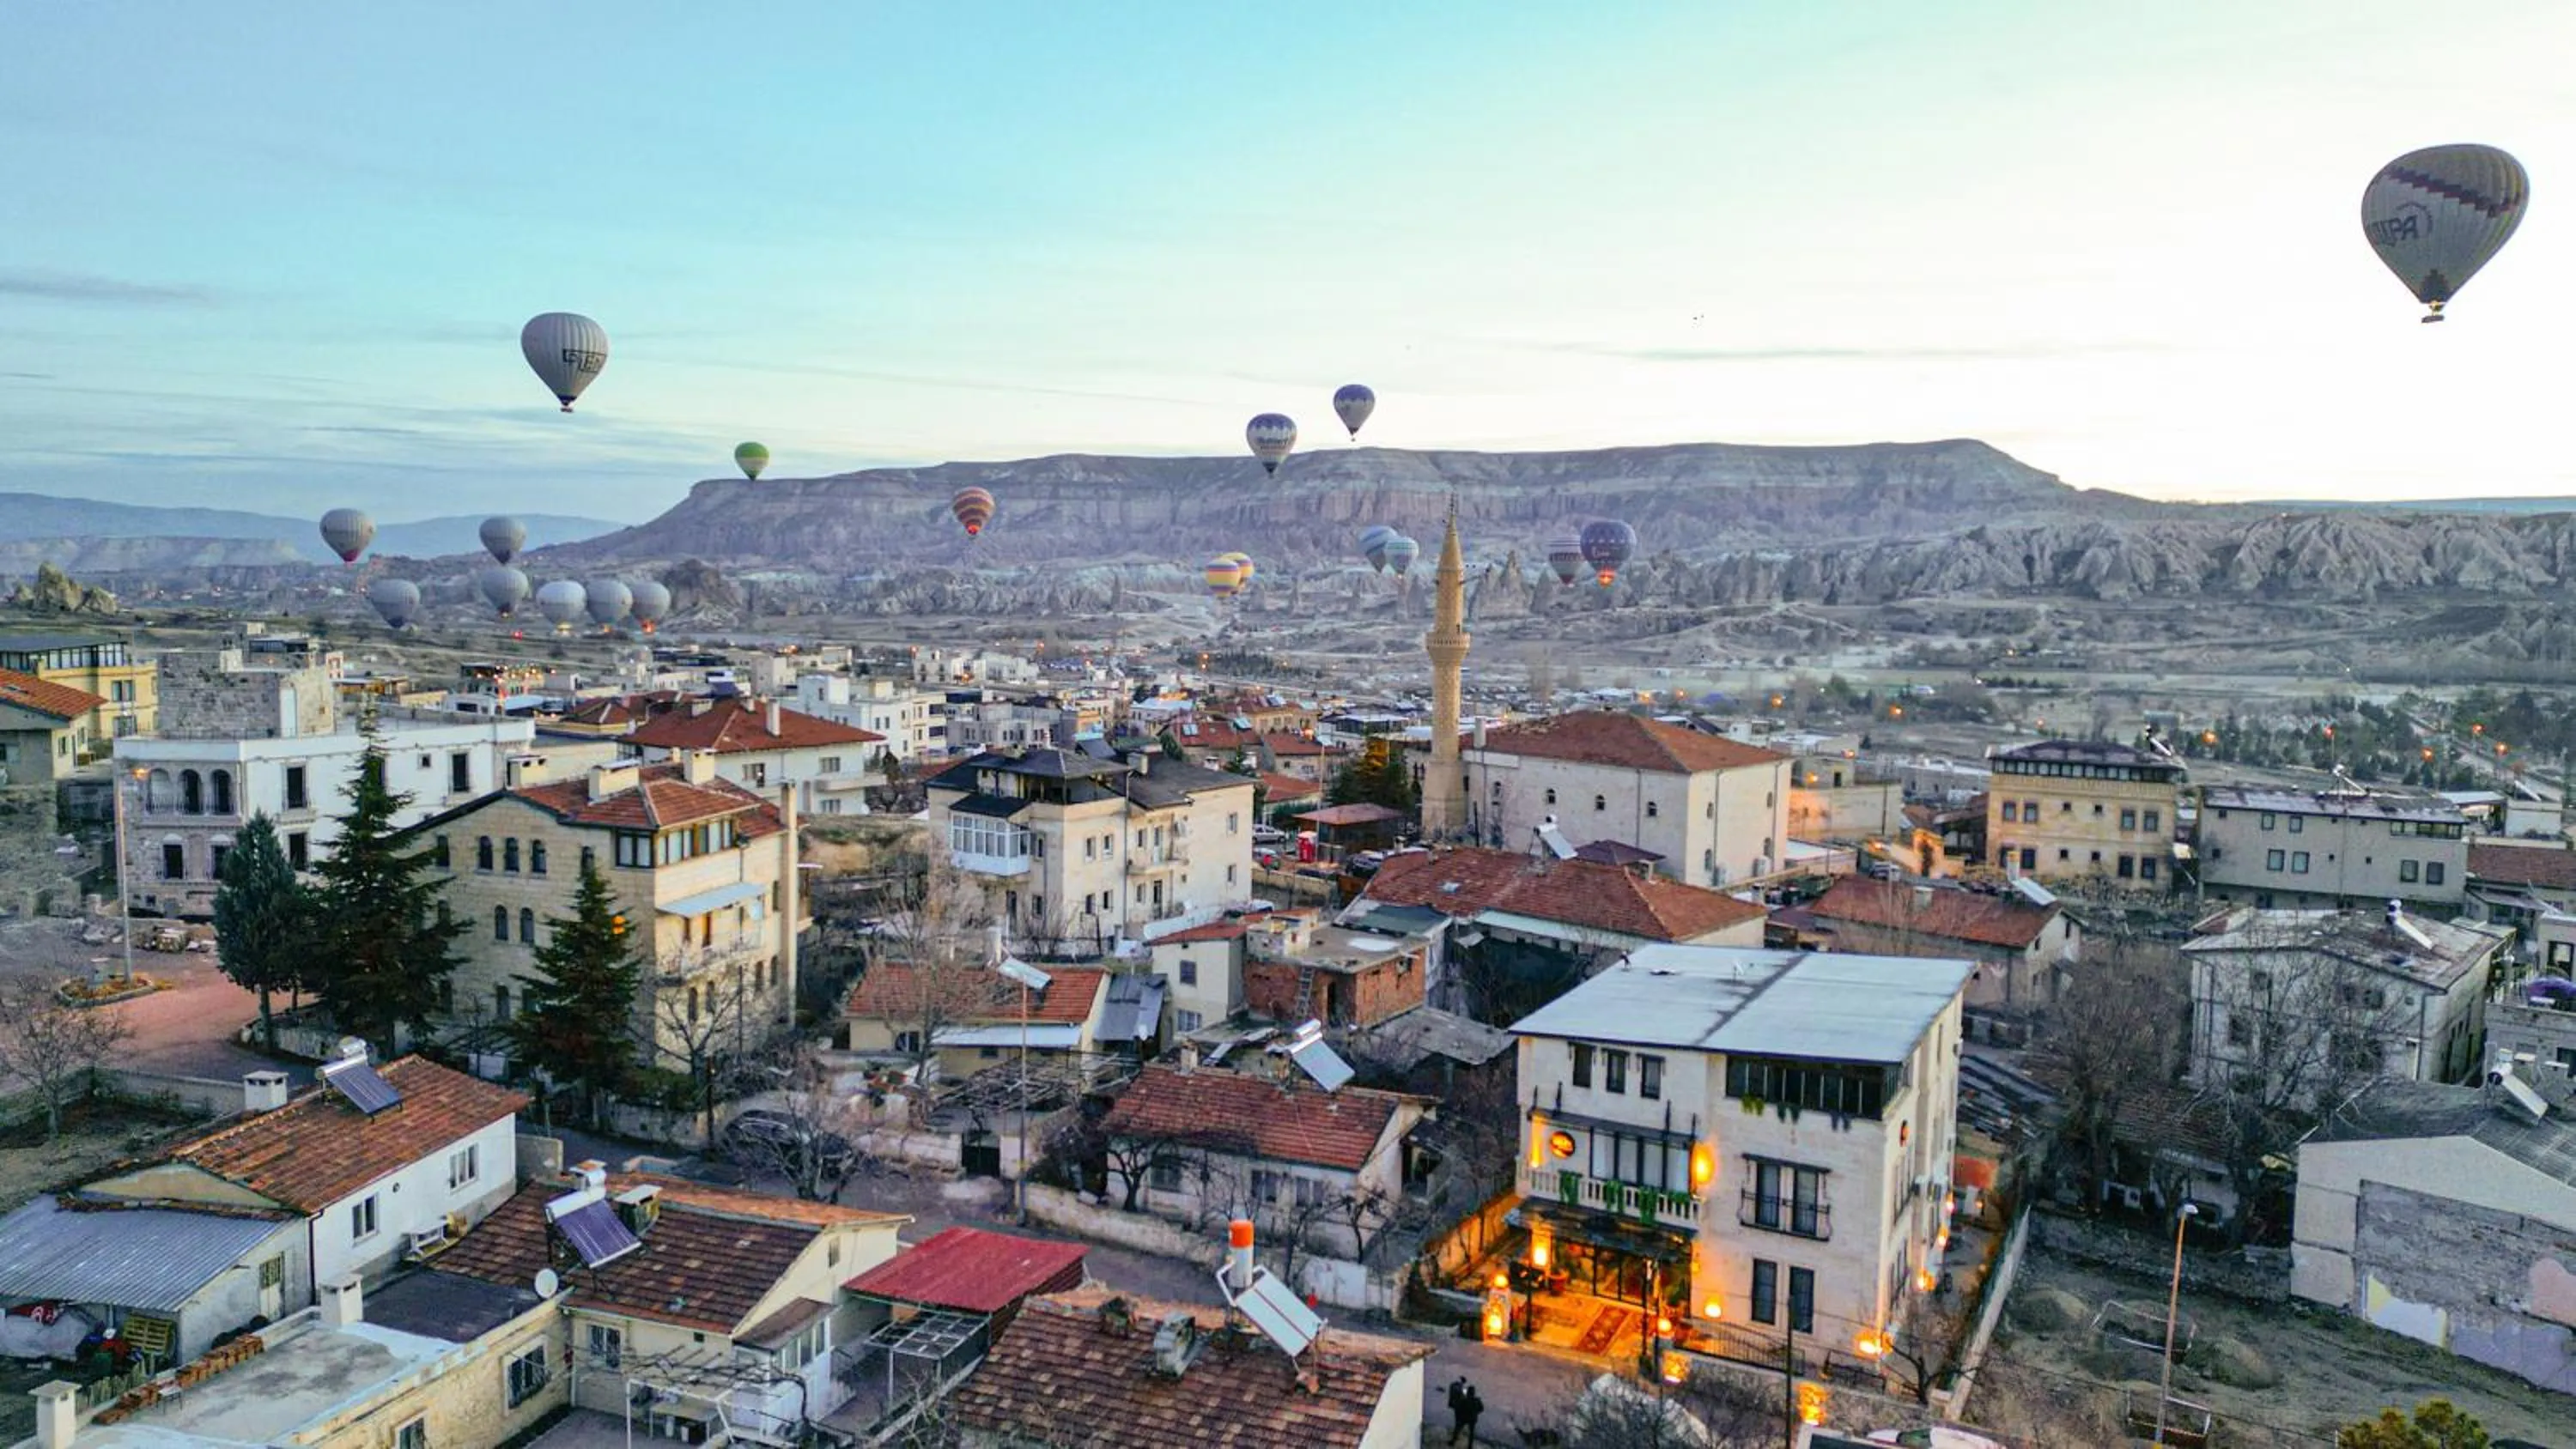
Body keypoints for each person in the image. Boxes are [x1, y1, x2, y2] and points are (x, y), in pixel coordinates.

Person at [1449, 1379, 1484, 1446]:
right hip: (1473, 1419)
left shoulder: (1464, 1400)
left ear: (1468, 1392)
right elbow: (1481, 1409)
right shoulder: (1477, 1400)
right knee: (1471, 1434)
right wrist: (1475, 1413)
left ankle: (1453, 1442)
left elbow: (1459, 1408)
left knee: (1457, 1429)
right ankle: (1470, 1446)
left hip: (1464, 1419)